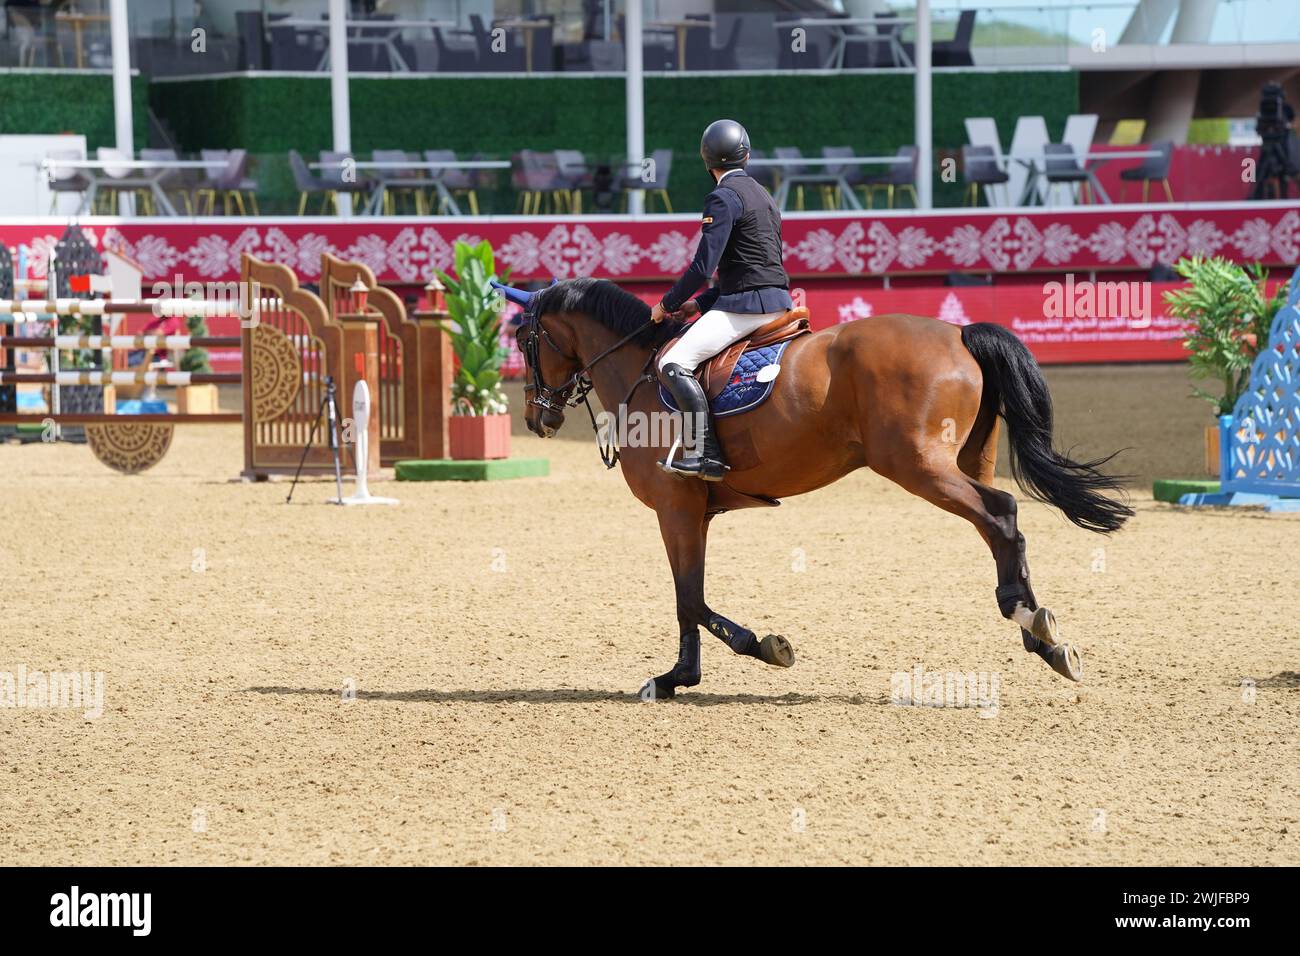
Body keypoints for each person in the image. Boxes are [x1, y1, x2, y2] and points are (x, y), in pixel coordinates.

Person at [649, 119, 793, 481]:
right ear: (746, 154)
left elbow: (703, 266)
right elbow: (754, 263)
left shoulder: (722, 197)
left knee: (674, 361)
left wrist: (666, 304)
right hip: (778, 300)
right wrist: (699, 304)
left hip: (746, 309)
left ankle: (704, 455)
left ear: (706, 160)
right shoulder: (764, 194)